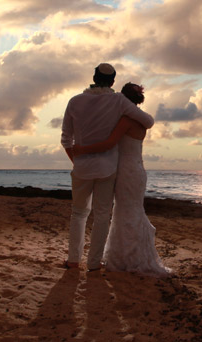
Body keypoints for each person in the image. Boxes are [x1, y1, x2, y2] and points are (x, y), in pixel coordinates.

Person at [60, 64, 154, 271]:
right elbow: (147, 121)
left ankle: (73, 260)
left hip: (82, 167)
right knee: (102, 215)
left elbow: (66, 139)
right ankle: (94, 263)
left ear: (93, 77)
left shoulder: (75, 101)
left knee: (78, 213)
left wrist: (77, 160)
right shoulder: (118, 100)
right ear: (113, 82)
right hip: (107, 168)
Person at [72, 82, 171, 277]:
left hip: (126, 171)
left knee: (126, 213)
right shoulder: (141, 121)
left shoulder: (126, 120)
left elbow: (109, 143)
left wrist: (82, 149)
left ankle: (129, 259)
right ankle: (130, 257)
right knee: (131, 211)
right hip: (137, 170)